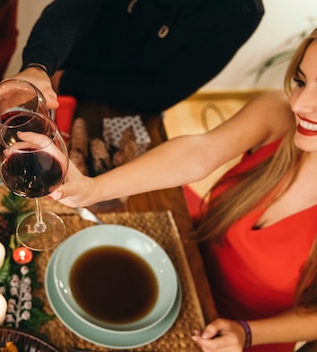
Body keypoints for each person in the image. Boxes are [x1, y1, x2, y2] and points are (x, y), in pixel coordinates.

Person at [49, 29, 317, 351]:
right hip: (186, 258)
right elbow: (201, 153)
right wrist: (92, 189)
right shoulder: (280, 115)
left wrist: (247, 333)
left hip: (241, 334)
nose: (300, 103)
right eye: (301, 82)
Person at [15, 0, 263, 114]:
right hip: (55, 87)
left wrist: (65, 80)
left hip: (132, 107)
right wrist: (38, 67)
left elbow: (161, 92)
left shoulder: (239, 10)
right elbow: (68, 14)